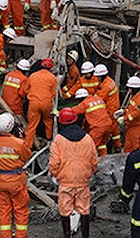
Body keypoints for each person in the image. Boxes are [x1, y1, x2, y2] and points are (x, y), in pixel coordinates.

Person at [49, 108, 98, 238]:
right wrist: (88, 173)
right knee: (84, 209)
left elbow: (54, 163)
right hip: (83, 180)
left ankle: (67, 235)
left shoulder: (59, 140)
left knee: (65, 210)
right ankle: (85, 236)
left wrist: (55, 175)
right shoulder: (87, 138)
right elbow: (94, 161)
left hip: (65, 181)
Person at [0, 113, 32, 238]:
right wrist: (21, 137)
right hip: (16, 182)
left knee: (4, 212)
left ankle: (6, 236)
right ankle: (21, 236)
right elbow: (26, 156)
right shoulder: (18, 143)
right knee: (20, 210)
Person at [22, 58, 57, 148]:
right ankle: (48, 139)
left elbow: (25, 90)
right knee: (48, 120)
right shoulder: (52, 78)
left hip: (33, 103)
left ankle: (28, 146)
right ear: (50, 68)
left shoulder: (33, 76)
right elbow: (53, 94)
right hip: (46, 103)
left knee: (32, 125)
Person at [71, 88, 114, 156]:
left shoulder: (85, 103)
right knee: (102, 145)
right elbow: (94, 115)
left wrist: (59, 112)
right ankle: (104, 160)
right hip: (108, 125)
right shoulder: (98, 99)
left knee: (90, 147)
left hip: (98, 128)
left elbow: (73, 111)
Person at [115, 76, 140, 153]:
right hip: (131, 128)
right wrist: (123, 111)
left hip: (138, 129)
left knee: (136, 150)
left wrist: (124, 118)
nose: (129, 90)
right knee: (128, 149)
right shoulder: (136, 97)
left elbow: (136, 114)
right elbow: (132, 110)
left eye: (130, 88)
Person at [94, 64, 122, 152]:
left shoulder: (106, 85)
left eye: (98, 77)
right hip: (113, 109)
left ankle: (107, 151)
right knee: (114, 130)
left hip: (109, 111)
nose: (97, 79)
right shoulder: (109, 81)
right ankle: (117, 146)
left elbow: (100, 98)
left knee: (105, 136)